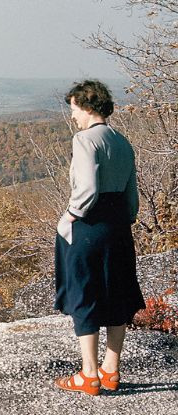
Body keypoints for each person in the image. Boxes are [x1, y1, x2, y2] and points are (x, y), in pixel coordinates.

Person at [53, 79, 146, 396]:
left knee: (85, 291)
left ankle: (89, 375)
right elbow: (131, 195)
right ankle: (111, 370)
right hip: (118, 225)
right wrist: (124, 219)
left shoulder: (84, 140)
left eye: (74, 109)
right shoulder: (122, 141)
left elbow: (88, 188)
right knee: (118, 292)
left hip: (89, 225)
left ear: (86, 106)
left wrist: (70, 216)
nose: (73, 116)